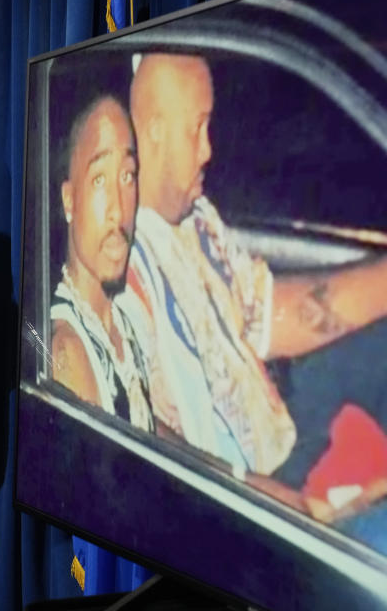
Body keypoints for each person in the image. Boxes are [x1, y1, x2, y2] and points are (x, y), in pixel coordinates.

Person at [124, 53, 387, 510]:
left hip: (276, 422)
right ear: (156, 133)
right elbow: (150, 440)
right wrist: (285, 504)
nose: (208, 149)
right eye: (198, 128)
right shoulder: (123, 267)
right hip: (246, 485)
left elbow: (276, 312)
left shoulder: (195, 219)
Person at [50, 95, 156, 432]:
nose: (118, 209)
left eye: (127, 177)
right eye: (99, 180)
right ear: (69, 200)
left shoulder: (126, 323)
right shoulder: (67, 350)